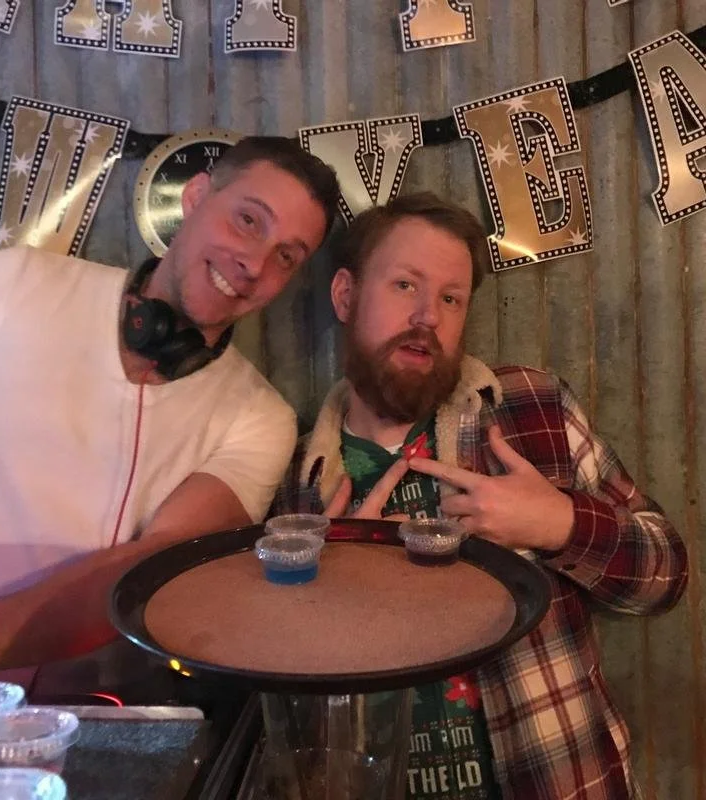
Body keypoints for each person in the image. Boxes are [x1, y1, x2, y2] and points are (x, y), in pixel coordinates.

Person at [277, 192, 688, 799]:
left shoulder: (530, 409)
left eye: (450, 298)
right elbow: (283, 711)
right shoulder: (299, 488)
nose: (427, 317)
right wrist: (330, 596)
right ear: (345, 296)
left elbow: (666, 578)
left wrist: (560, 524)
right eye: (404, 286)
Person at [0, 136, 340, 700]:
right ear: (196, 196)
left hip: (85, 727)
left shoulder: (261, 417)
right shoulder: (10, 282)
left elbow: (153, 572)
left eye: (287, 256)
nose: (255, 263)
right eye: (248, 221)